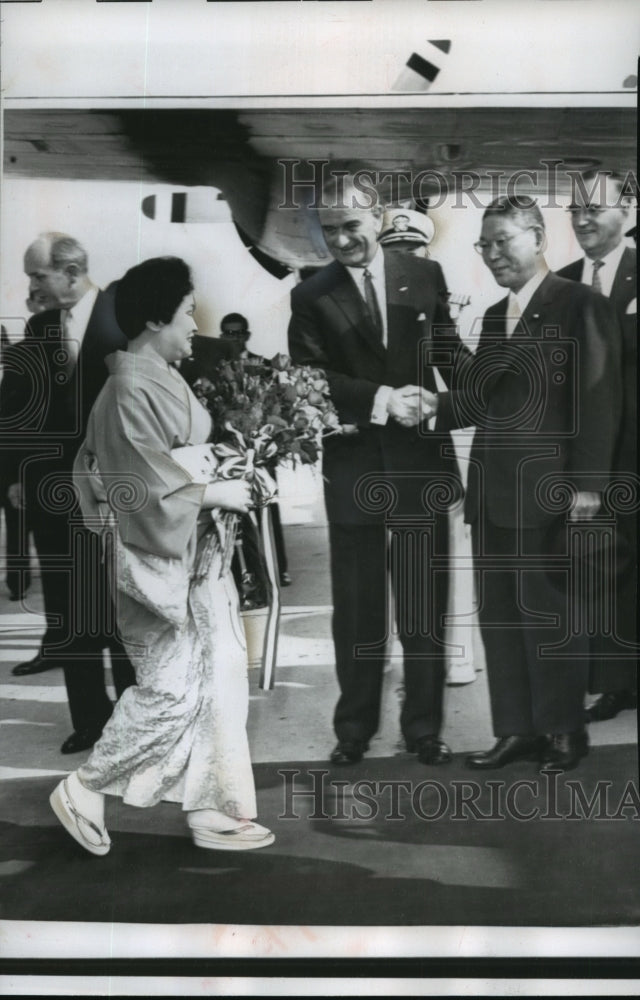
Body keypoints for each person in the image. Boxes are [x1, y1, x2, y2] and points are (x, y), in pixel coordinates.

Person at [49, 256, 274, 856]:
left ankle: (215, 807)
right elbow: (139, 489)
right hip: (157, 560)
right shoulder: (126, 389)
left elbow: (179, 460)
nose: (193, 324)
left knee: (223, 671)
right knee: (172, 689)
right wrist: (215, 490)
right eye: (185, 313)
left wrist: (236, 470)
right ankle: (84, 787)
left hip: (196, 555)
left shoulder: (159, 378)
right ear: (153, 318)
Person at [428, 195, 622, 772]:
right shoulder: (492, 316)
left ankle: (564, 732)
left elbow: (600, 397)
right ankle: (515, 730)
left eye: (502, 242)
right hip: (492, 492)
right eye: (483, 245)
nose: (492, 255)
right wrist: (426, 405)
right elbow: (484, 400)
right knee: (501, 617)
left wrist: (589, 485)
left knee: (552, 617)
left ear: (537, 238)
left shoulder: (580, 304)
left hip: (552, 494)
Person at [288, 174, 466, 767]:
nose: (340, 240)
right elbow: (311, 380)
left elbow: (447, 351)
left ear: (380, 217)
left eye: (351, 226)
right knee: (358, 610)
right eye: (329, 230)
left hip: (418, 465)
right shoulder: (310, 295)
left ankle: (423, 730)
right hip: (356, 469)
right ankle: (354, 729)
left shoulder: (424, 276)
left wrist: (496, 382)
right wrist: (384, 399)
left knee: (423, 609)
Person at [3, 233, 135, 754]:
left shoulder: (124, 318)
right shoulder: (38, 329)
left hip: (118, 493)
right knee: (72, 610)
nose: (32, 286)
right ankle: (89, 720)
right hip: (56, 494)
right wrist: (13, 476)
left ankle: (133, 717)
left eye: (38, 275)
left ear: (71, 270)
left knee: (124, 609)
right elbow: (14, 409)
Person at [557, 170, 637, 723]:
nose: (583, 219)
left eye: (596, 208)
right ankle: (614, 682)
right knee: (601, 569)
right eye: (575, 210)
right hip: (591, 459)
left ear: (627, 210)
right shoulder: (560, 285)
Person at [220, 312, 292, 588]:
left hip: (262, 451)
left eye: (238, 333)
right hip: (234, 452)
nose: (233, 338)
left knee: (268, 509)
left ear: (247, 335)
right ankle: (248, 573)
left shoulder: (263, 366)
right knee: (238, 515)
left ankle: (279, 568)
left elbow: (279, 404)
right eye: (228, 333)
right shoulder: (218, 366)